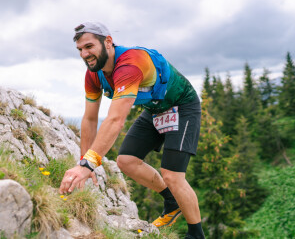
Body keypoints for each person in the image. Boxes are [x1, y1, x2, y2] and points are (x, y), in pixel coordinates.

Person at [58, 22, 205, 239]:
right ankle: (172, 201)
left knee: (173, 176)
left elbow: (116, 119)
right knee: (126, 160)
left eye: (89, 46)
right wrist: (83, 162)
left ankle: (196, 235)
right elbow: (89, 119)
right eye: (80, 49)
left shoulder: (130, 65)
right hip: (155, 109)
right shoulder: (93, 74)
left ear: (108, 41)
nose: (84, 54)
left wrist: (90, 164)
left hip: (182, 105)